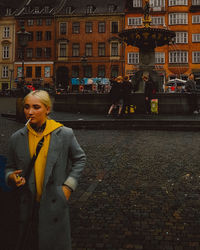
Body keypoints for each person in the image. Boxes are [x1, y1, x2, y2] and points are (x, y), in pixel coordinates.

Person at [5, 90, 86, 250]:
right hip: (27, 207)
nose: (30, 112)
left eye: (36, 107)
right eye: (26, 107)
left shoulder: (64, 134)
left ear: (47, 109)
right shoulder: (16, 137)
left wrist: (68, 187)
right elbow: (9, 167)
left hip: (54, 204)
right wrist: (10, 177)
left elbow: (80, 159)